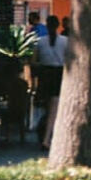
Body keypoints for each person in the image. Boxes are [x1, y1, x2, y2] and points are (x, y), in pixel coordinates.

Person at [32, 14, 68, 150]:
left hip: (44, 74)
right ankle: (48, 138)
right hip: (59, 74)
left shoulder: (39, 42)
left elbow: (33, 61)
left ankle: (46, 136)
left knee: (47, 108)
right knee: (54, 108)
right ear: (58, 26)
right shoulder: (65, 41)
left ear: (46, 26)